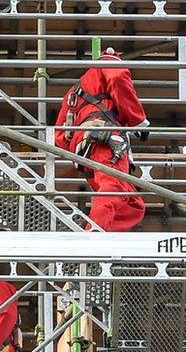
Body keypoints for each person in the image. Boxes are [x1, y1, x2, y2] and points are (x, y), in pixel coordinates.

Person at [54, 49, 150, 231]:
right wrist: (138, 121)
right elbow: (118, 77)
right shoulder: (108, 64)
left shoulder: (73, 94)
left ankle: (103, 233)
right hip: (105, 139)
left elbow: (60, 137)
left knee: (132, 203)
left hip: (85, 147)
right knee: (112, 187)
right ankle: (95, 234)